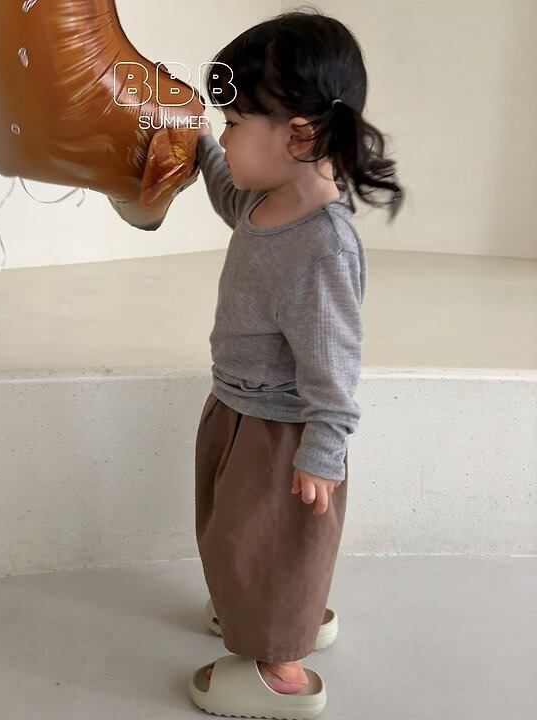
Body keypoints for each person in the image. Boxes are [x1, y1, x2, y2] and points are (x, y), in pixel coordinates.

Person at [189, 6, 404, 715]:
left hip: (283, 430)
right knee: (235, 535)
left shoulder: (322, 248)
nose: (224, 133)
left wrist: (323, 449)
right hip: (237, 405)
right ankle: (261, 608)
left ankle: (279, 665)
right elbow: (230, 197)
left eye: (232, 122)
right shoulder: (267, 198)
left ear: (300, 134)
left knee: (274, 540)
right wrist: (199, 145)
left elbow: (334, 362)